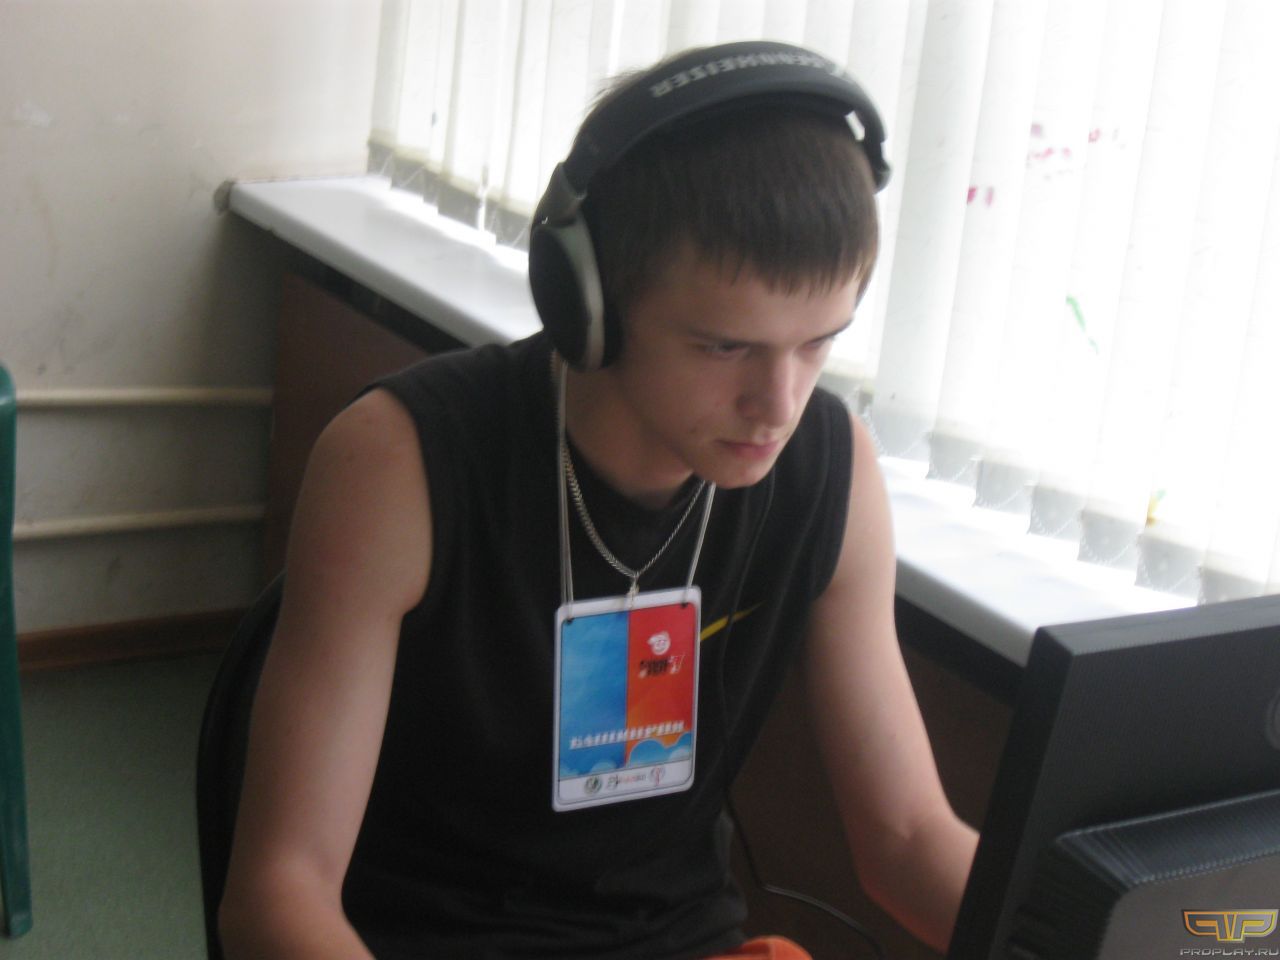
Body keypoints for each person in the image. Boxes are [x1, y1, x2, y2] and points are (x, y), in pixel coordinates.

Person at [218, 40, 978, 960]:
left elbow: (907, 839)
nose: (778, 406)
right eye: (725, 347)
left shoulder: (832, 468)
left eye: (818, 344)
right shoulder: (401, 465)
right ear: (590, 304)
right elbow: (279, 894)